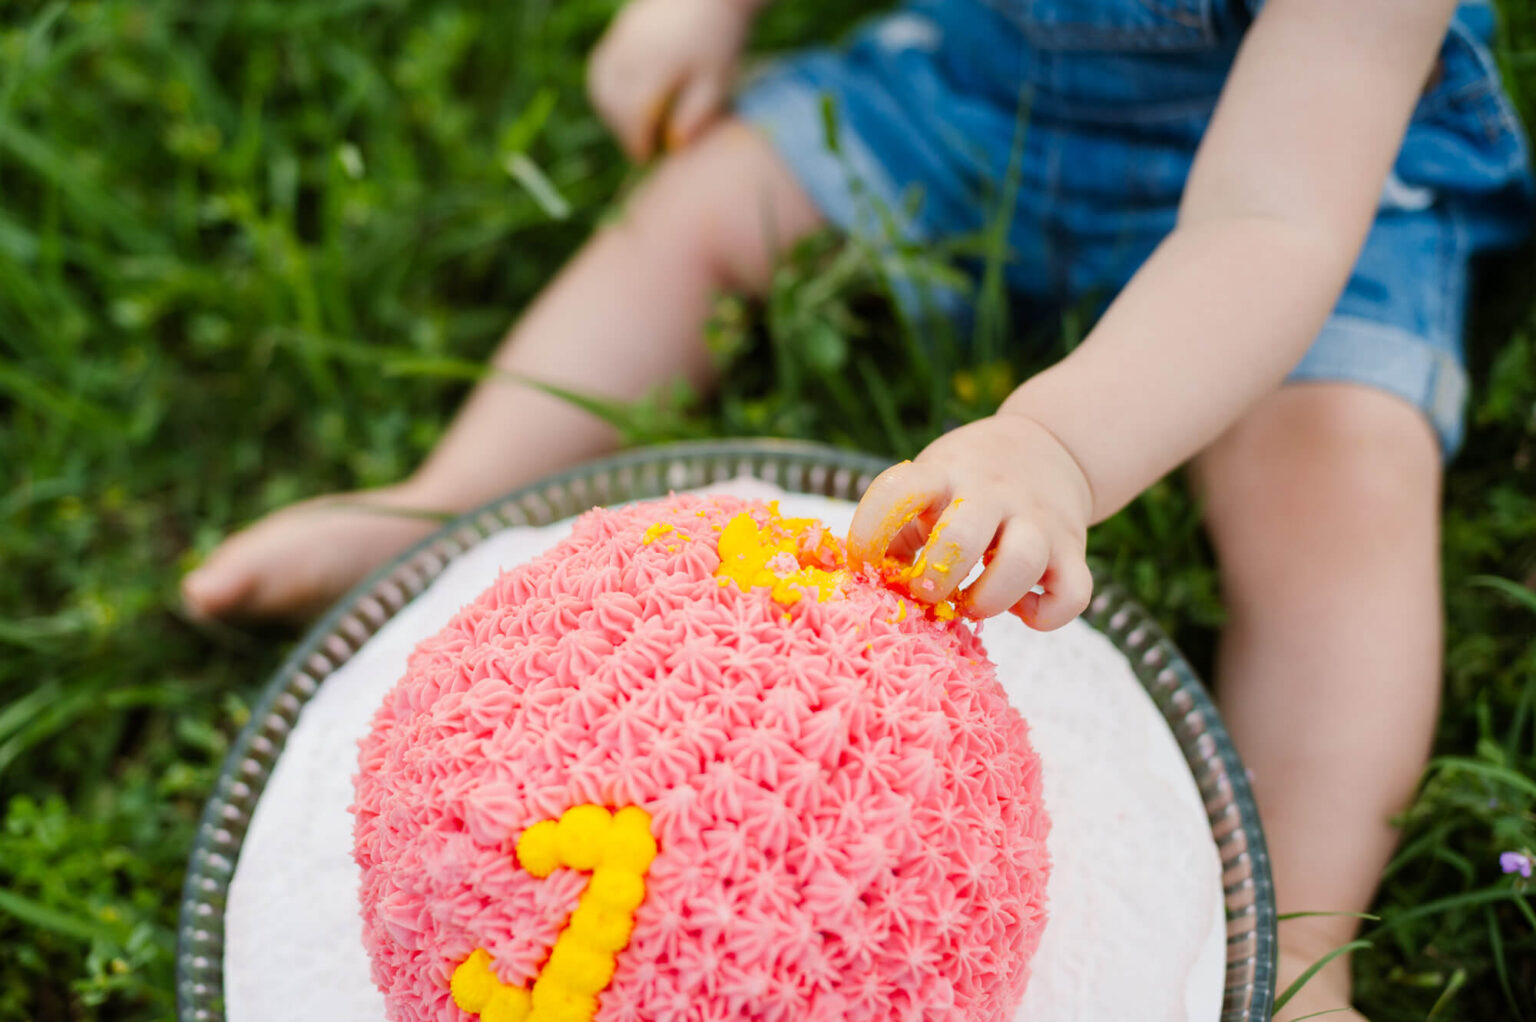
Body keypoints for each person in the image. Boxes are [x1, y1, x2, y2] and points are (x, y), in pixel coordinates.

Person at [181, 0, 1533, 1017]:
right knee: (710, 207)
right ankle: (450, 499)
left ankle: (1295, 936)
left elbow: (1273, 222)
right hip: (967, 113)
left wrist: (1055, 445)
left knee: (1341, 480)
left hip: (1298, 210)